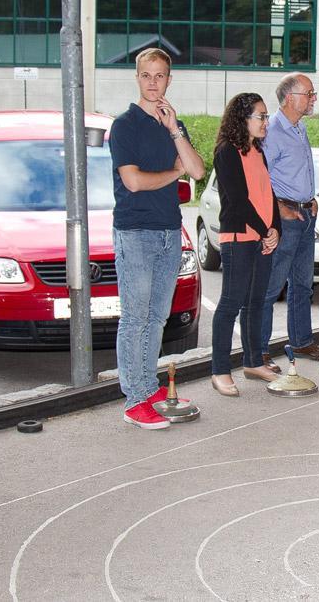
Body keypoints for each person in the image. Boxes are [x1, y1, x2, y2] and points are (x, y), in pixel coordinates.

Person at [110, 48, 205, 429]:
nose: (153, 82)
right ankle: (134, 399)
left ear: (169, 79)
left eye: (160, 75)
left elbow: (196, 170)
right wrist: (173, 173)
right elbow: (133, 181)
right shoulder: (125, 126)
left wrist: (175, 129)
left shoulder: (172, 125)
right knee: (135, 319)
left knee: (156, 317)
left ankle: (148, 388)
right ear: (137, 78)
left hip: (169, 230)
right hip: (135, 232)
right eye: (146, 75)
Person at [258, 74, 319, 369]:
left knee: (302, 285)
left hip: (304, 215)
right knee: (270, 288)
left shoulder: (299, 127)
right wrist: (279, 209)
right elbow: (260, 178)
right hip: (284, 219)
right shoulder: (272, 131)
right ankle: (259, 352)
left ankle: (301, 341)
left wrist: (310, 200)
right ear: (290, 98)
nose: (314, 98)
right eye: (309, 93)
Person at [209, 93, 280, 396]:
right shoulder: (227, 151)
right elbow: (238, 200)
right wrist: (265, 230)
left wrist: (275, 229)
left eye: (266, 116)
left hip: (261, 237)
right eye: (261, 116)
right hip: (239, 238)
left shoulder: (257, 151)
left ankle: (252, 362)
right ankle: (220, 370)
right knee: (231, 303)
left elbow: (268, 194)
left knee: (255, 302)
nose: (266, 122)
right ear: (243, 118)